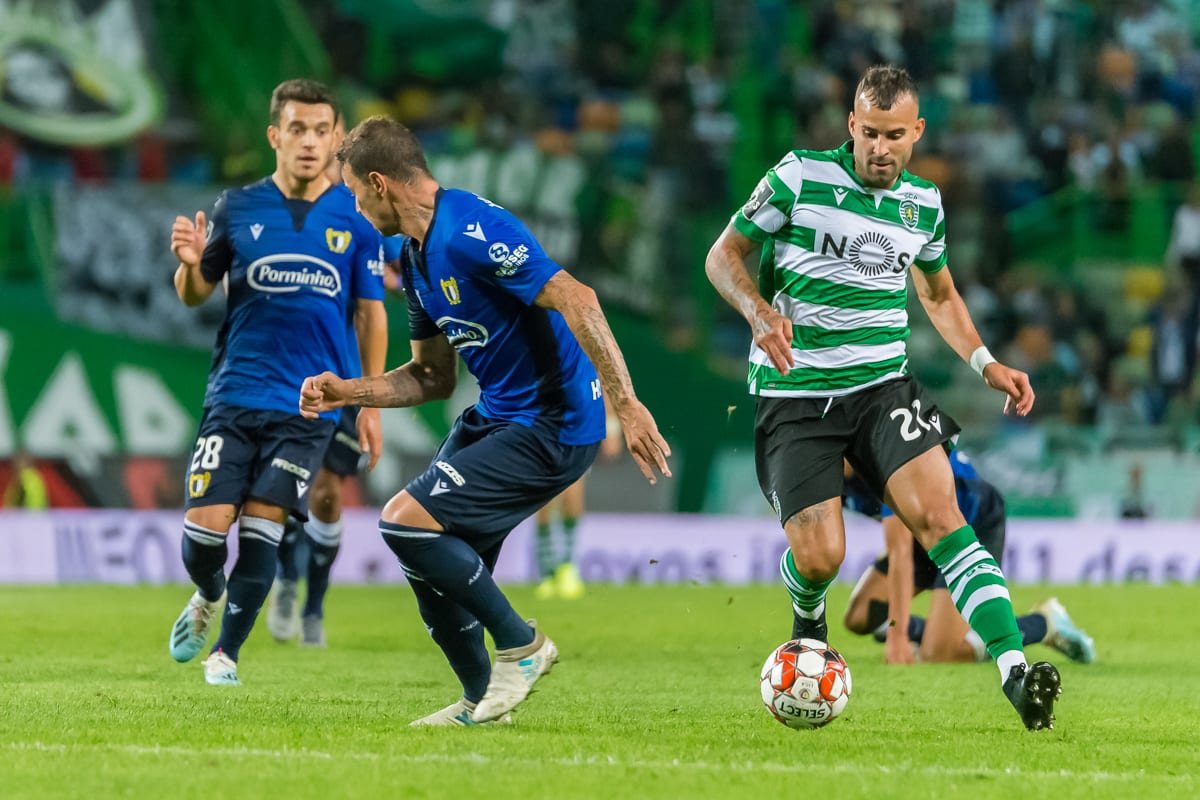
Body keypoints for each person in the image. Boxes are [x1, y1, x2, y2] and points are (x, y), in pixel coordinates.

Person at [704, 64, 1062, 731]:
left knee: (941, 515)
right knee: (821, 558)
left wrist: (986, 363)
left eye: (894, 135)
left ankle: (1015, 671)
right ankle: (808, 611)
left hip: (882, 389)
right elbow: (723, 257)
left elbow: (939, 294)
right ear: (851, 125)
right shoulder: (798, 178)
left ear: (916, 131)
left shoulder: (922, 204)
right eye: (869, 133)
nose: (880, 148)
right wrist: (757, 312)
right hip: (796, 395)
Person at [299, 115, 671, 726]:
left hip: (553, 423)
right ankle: (480, 701)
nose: (357, 210)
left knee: (404, 523)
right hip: (498, 416)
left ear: (379, 183)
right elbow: (430, 377)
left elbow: (579, 297)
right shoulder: (415, 263)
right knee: (427, 567)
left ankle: (521, 646)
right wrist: (350, 392)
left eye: (356, 195)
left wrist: (624, 404)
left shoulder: (472, 229)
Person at [167, 78, 387, 686]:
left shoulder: (356, 217)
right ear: (275, 136)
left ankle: (226, 656)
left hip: (308, 405)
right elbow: (194, 295)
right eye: (297, 129)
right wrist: (189, 268)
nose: (310, 142)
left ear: (339, 138)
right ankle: (208, 593)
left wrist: (368, 401)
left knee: (263, 529)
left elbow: (371, 313)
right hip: (234, 395)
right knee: (203, 541)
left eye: (322, 131)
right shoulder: (236, 207)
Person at [841, 453, 1096, 665]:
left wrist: (897, 639)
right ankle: (935, 631)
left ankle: (1044, 622)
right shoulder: (831, 473)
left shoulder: (883, 459)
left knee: (941, 653)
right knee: (859, 617)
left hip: (970, 523)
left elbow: (900, 554)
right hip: (922, 535)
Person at [533, 398, 621, 600]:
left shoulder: (584, 366)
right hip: (542, 425)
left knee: (572, 495)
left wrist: (612, 426)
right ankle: (547, 573)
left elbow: (601, 382)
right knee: (542, 499)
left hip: (576, 428)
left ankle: (568, 566)